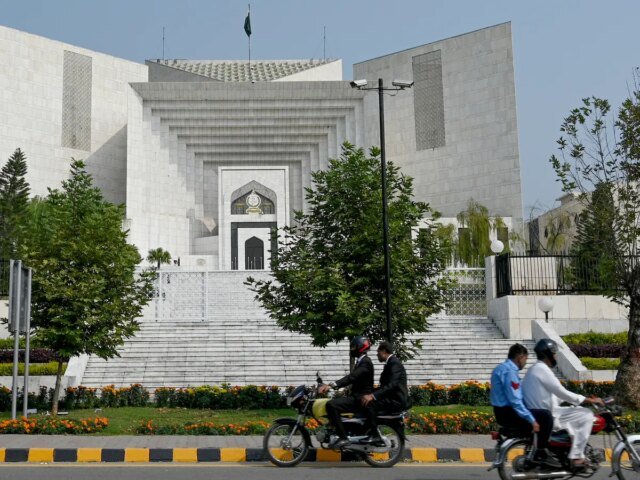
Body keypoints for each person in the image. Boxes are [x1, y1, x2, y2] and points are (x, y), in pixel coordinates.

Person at [522, 338, 604, 471]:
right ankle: (577, 456)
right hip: (547, 415)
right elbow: (561, 392)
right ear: (548, 354)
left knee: (577, 410)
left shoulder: (534, 369)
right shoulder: (543, 370)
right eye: (554, 354)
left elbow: (553, 396)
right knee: (587, 415)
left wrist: (581, 398)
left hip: (543, 411)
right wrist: (589, 401)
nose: (555, 357)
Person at [491, 343, 561, 469]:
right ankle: (540, 453)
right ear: (520, 358)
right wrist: (531, 419)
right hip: (509, 413)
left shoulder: (500, 368)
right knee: (545, 416)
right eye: (525, 359)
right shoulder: (510, 372)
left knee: (539, 415)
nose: (525, 363)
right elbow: (515, 400)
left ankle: (535, 450)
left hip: (501, 412)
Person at [318, 336, 374, 448]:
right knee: (335, 402)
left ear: (360, 347)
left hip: (360, 398)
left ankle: (343, 437)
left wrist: (332, 385)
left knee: (331, 405)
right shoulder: (361, 361)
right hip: (357, 396)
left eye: (353, 347)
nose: (351, 350)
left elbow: (352, 377)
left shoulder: (366, 362)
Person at [360, 341, 409, 442]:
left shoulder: (394, 363)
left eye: (378, 352)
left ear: (383, 351)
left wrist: (372, 396)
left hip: (396, 400)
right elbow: (385, 386)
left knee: (369, 404)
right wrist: (368, 393)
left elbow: (391, 385)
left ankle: (374, 434)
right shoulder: (390, 363)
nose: (377, 355)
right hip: (392, 397)